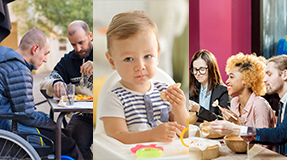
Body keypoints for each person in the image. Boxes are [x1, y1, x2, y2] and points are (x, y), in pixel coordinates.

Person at [99, 10, 188, 144]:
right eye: (129, 59)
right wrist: (151, 135)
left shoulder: (165, 91)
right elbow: (118, 137)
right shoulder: (114, 98)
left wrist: (180, 110)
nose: (140, 66)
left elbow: (185, 134)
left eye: (147, 56)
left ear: (157, 55)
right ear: (112, 61)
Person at [0, 29, 83, 159]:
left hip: (5, 121)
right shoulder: (18, 70)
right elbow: (27, 115)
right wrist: (54, 125)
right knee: (69, 144)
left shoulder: (5, 60)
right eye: (45, 54)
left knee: (65, 134)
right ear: (35, 49)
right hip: (8, 128)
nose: (45, 60)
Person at [210, 55, 287, 155]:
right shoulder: (283, 103)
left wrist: (236, 128)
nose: (264, 80)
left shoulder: (261, 104)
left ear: (284, 74)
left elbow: (279, 135)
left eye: (269, 74)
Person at [39, 20, 93, 159]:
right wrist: (55, 83)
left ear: (91, 36)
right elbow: (44, 83)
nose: (78, 48)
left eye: (81, 42)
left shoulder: (107, 54)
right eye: (73, 44)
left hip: (109, 113)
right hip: (84, 116)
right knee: (72, 145)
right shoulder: (68, 60)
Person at [189, 49, 231, 121]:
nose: (198, 73)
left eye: (202, 69)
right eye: (195, 69)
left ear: (211, 68)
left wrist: (198, 109)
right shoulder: (193, 90)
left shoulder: (223, 91)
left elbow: (225, 120)